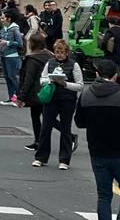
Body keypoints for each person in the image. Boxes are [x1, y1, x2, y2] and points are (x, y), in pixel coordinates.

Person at [74, 59, 120, 220]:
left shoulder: (86, 95)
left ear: (97, 74)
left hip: (97, 151)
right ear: (116, 76)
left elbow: (79, 122)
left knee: (104, 196)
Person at [33, 39, 84, 170]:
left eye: (62, 52)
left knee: (65, 130)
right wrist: (48, 80)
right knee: (45, 128)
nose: (59, 54)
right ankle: (40, 158)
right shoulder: (50, 63)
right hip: (52, 99)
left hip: (68, 100)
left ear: (67, 53)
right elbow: (42, 78)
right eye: (57, 52)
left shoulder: (74, 65)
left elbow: (80, 86)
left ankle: (64, 160)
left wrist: (65, 84)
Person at [17, 33, 55, 151]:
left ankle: (38, 141)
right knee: (47, 116)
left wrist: (21, 96)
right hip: (49, 90)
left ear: (32, 44)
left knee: (36, 116)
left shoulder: (32, 59)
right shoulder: (50, 56)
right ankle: (39, 141)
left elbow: (28, 79)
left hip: (36, 92)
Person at [0, 11, 24, 105]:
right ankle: (11, 98)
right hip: (3, 55)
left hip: (12, 56)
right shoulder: (4, 28)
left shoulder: (14, 28)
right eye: (1, 18)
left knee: (12, 77)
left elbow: (20, 43)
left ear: (9, 19)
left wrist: (7, 42)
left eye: (3, 18)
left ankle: (19, 98)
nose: (1, 20)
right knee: (7, 77)